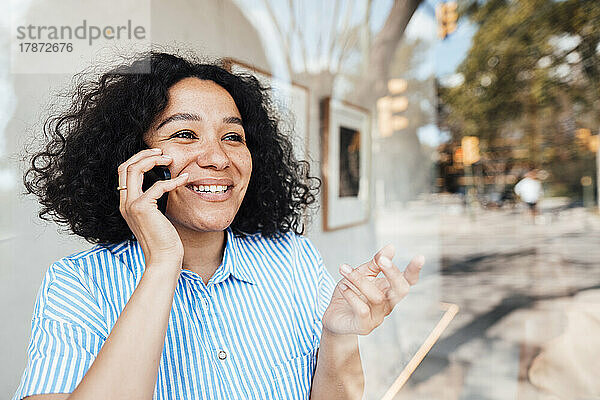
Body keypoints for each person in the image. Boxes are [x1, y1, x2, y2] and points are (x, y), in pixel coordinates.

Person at [14, 51, 424, 400]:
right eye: (185, 134)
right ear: (133, 159)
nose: (217, 158)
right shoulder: (78, 282)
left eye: (232, 136)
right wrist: (163, 262)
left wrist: (338, 335)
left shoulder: (292, 257)